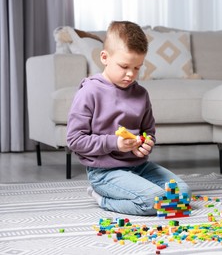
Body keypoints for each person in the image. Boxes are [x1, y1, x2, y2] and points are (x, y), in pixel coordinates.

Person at [66, 21, 191, 215]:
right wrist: (115, 143)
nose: (130, 74)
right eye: (124, 66)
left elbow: (148, 132)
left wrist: (146, 144)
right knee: (154, 201)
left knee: (182, 195)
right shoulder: (90, 92)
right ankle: (102, 199)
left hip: (139, 166)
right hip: (105, 172)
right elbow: (75, 140)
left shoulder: (141, 94)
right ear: (105, 57)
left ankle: (135, 192)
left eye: (137, 68)